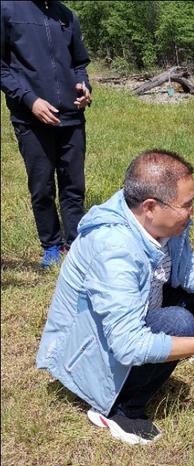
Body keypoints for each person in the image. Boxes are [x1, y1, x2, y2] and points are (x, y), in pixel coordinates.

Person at [36, 149, 194, 445]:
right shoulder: (114, 251)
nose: (192, 212)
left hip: (136, 314)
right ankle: (119, 408)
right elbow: (128, 345)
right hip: (90, 354)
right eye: (186, 205)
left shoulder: (159, 224)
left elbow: (190, 274)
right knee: (179, 321)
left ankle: (170, 351)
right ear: (150, 206)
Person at [1, 0, 92, 268]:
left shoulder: (66, 15)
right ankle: (51, 245)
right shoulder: (8, 9)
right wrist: (30, 100)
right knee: (41, 187)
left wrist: (84, 86)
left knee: (73, 186)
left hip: (72, 117)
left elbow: (79, 63)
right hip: (31, 117)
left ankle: (74, 243)